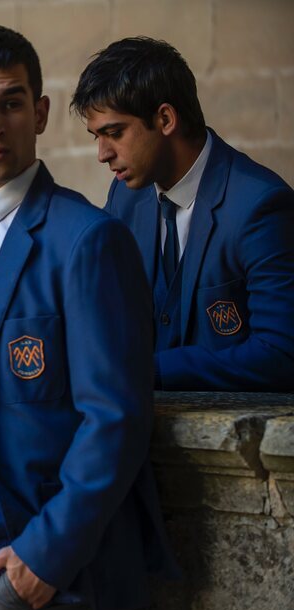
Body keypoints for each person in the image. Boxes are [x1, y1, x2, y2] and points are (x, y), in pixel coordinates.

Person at [0, 25, 178, 610]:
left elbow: (116, 417)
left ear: (41, 112)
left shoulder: (87, 240)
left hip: (21, 579)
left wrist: (43, 559)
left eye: (12, 103)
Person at [71, 36, 294, 391]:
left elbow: (281, 353)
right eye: (96, 136)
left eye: (114, 133)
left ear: (165, 118)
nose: (102, 154)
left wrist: (151, 370)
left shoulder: (261, 206)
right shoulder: (125, 196)